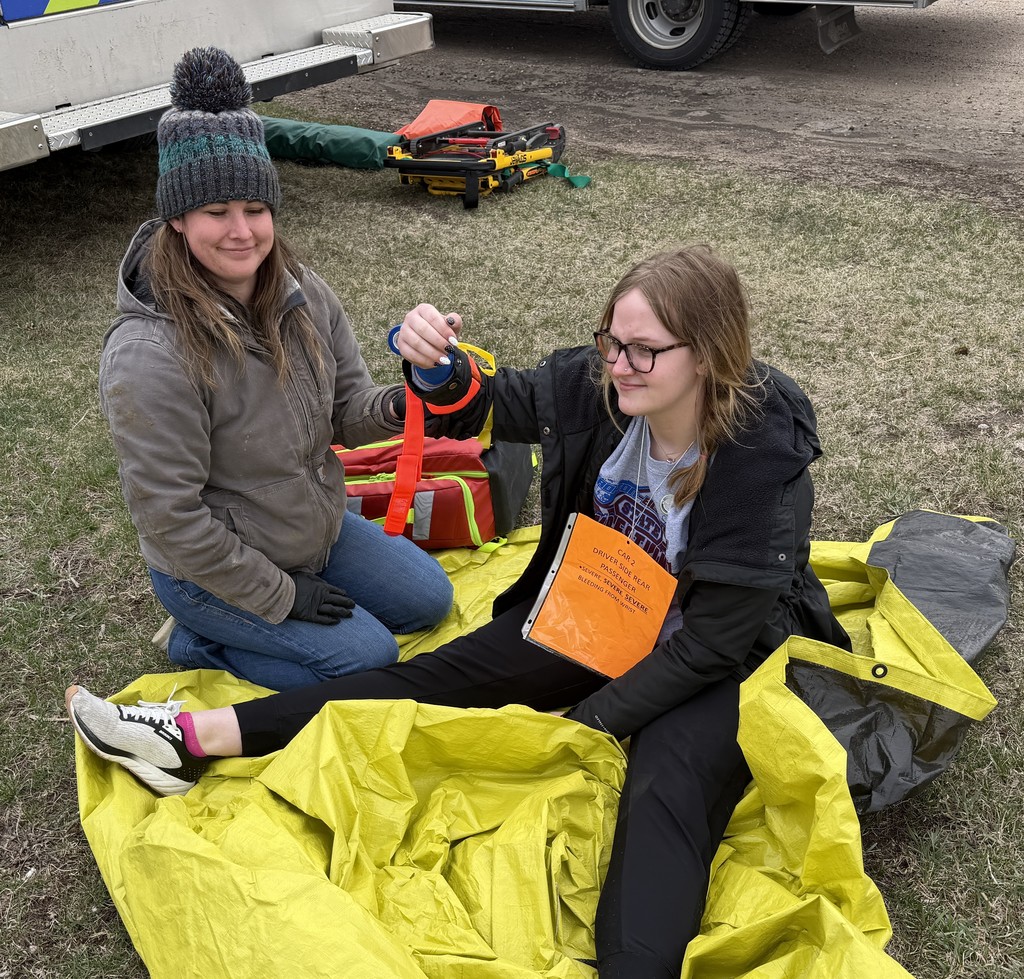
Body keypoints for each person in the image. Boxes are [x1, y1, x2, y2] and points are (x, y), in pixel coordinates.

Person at [69, 243, 850, 978]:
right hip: (606, 608)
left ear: (708, 353)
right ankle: (191, 737)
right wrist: (437, 367)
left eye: (644, 349)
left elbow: (713, 643)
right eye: (611, 340)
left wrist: (592, 718)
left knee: (663, 787)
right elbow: (487, 403)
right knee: (435, 677)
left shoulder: (758, 442)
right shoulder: (600, 387)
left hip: (718, 654)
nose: (619, 364)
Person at [97, 46, 453, 691]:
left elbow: (348, 410)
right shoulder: (147, 355)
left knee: (430, 600)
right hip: (208, 570)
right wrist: (283, 597)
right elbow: (171, 522)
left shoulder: (302, 294)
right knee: (367, 659)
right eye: (216, 212)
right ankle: (198, 640)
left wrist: (415, 390)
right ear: (177, 219)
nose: (242, 232)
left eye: (255, 209)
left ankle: (283, 607)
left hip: (312, 532)